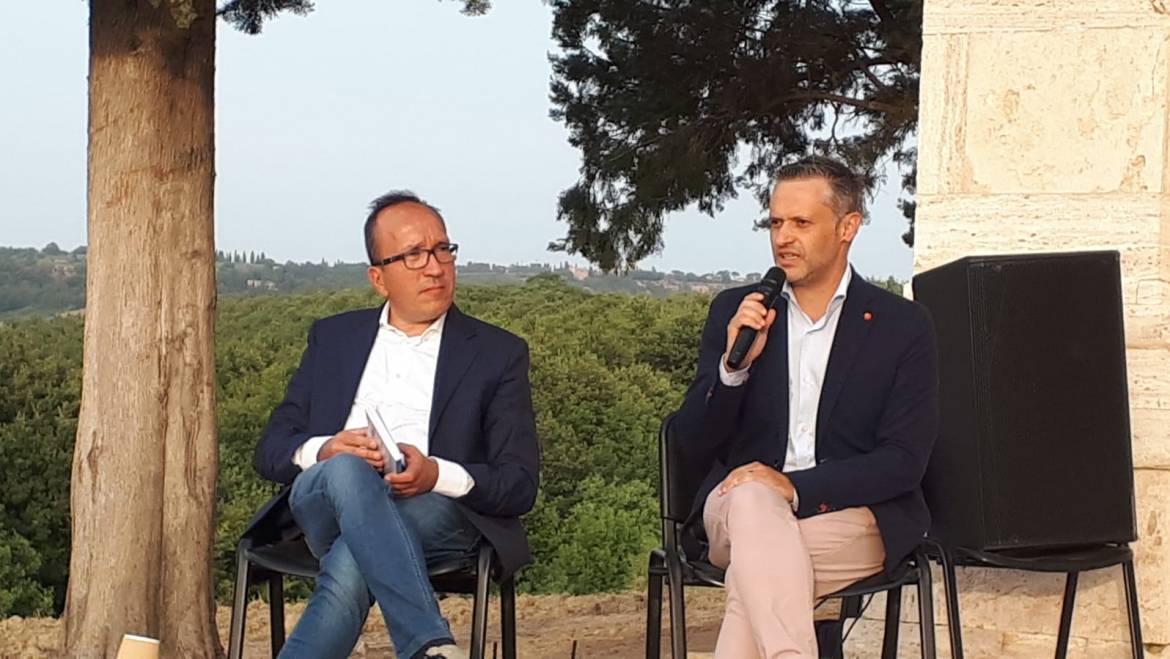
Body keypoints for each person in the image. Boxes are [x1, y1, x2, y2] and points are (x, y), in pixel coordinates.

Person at [253, 191, 540, 659]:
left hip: (433, 511)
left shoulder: (498, 353)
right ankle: (428, 642)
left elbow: (519, 484)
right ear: (378, 279)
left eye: (443, 249)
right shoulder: (333, 338)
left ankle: (428, 647)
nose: (435, 267)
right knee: (348, 471)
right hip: (323, 501)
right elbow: (271, 450)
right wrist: (326, 450)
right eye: (413, 255)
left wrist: (437, 473)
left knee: (352, 558)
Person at [673, 156, 939, 658]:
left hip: (852, 515)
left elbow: (904, 461)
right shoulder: (739, 311)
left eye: (800, 222)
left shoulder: (903, 326)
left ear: (847, 227)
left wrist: (795, 486)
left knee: (755, 584)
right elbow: (689, 443)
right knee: (754, 500)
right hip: (736, 510)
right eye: (775, 222)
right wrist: (733, 373)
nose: (782, 238)